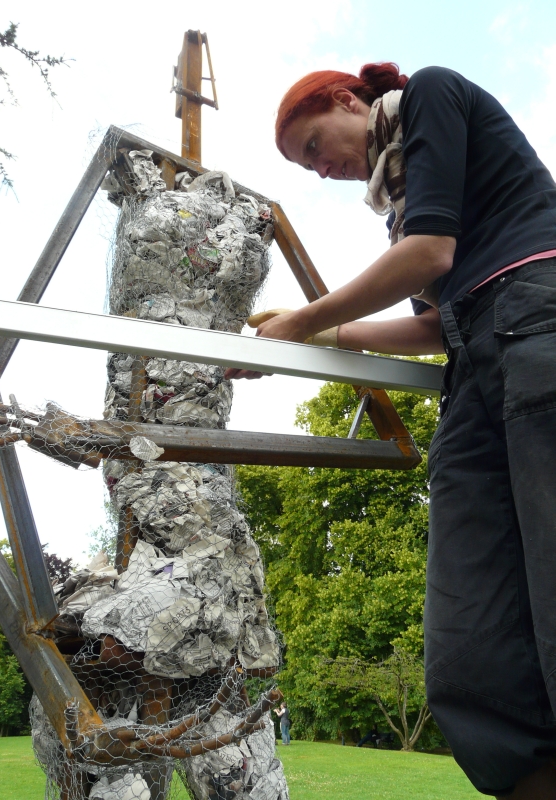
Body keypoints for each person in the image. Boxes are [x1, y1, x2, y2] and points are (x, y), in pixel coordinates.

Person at [225, 63, 556, 799]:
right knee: (472, 650)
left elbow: (431, 256)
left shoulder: (433, 95)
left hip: (541, 324)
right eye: (306, 165)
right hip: (472, 364)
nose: (320, 169)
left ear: (347, 100)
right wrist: (319, 339)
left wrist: (303, 322)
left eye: (312, 146)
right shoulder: (400, 208)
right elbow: (436, 322)